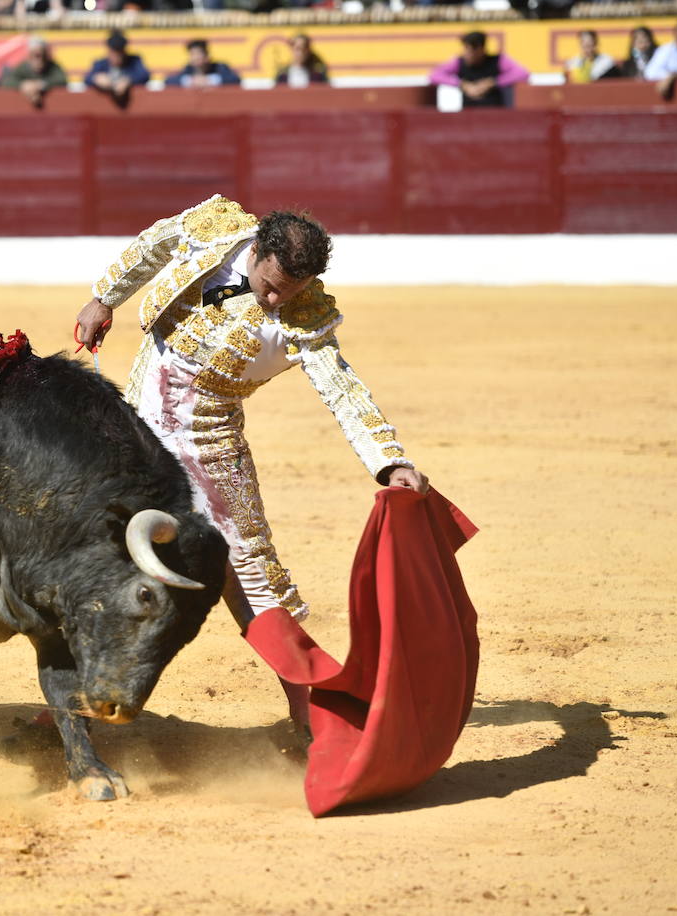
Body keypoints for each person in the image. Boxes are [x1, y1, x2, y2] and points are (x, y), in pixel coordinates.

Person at [73, 196, 428, 722]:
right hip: (138, 438)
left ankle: (312, 713)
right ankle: (77, 697)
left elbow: (344, 391)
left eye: (293, 292)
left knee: (250, 576)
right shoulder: (212, 230)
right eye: (273, 286)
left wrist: (389, 460)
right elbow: (152, 246)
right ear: (257, 250)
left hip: (211, 453)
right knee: (97, 558)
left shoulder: (304, 319)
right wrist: (105, 298)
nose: (278, 301)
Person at [428, 31, 530, 108]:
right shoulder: (459, 62)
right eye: (466, 49)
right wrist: (463, 84)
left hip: (495, 112)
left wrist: (493, 82)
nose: (467, 54)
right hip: (469, 114)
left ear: (481, 50)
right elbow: (434, 76)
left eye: (472, 50)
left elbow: (523, 73)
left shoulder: (498, 60)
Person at [84, 29, 150, 106]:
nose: (117, 57)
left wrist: (128, 80)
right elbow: (87, 78)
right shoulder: (100, 64)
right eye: (114, 53)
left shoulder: (134, 61)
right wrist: (96, 78)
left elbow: (144, 75)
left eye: (119, 53)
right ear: (109, 52)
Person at [1, 36, 68, 108]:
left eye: (40, 55)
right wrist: (23, 85)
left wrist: (41, 85)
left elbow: (62, 80)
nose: (38, 59)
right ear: (29, 56)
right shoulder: (23, 67)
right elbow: (7, 82)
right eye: (34, 55)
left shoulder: (53, 67)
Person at [166, 39, 241, 89]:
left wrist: (210, 80)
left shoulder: (219, 67)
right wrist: (190, 81)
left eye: (198, 54)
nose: (195, 58)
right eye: (192, 54)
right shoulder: (188, 69)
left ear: (207, 56)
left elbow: (235, 79)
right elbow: (169, 81)